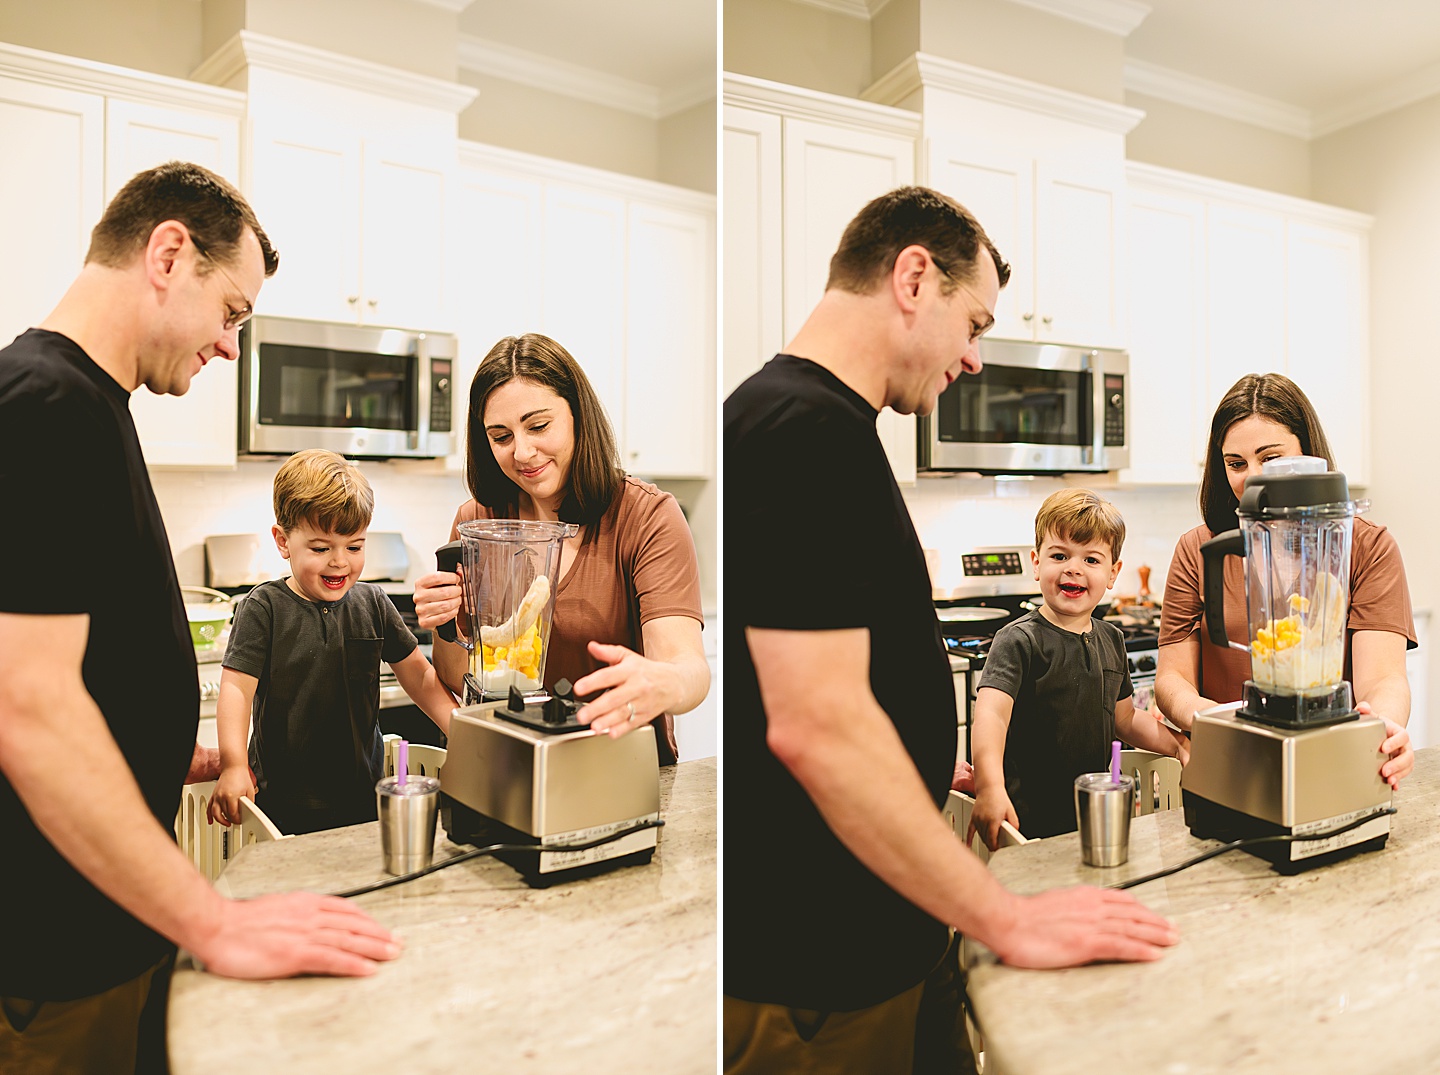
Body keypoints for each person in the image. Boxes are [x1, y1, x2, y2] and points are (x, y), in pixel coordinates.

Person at [724, 186, 1178, 1075]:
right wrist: (1006, 914)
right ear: (913, 276)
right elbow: (816, 726)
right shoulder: (803, 430)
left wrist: (925, 760)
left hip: (881, 933)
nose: (974, 359)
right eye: (972, 323)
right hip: (821, 968)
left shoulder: (816, 423)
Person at [0, 162, 400, 1075]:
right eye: (231, 313)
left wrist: (147, 747)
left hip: (99, 927)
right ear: (169, 253)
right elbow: (27, 709)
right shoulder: (47, 404)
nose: (229, 346)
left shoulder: (89, 405)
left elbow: (60, 672)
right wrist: (215, 919)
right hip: (53, 952)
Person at [412, 333, 708, 762]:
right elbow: (462, 679)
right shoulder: (476, 523)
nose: (523, 452)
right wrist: (444, 625)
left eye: (538, 426)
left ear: (577, 415)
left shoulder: (647, 517)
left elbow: (688, 668)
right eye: (501, 436)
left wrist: (667, 683)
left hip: (615, 765)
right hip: (505, 765)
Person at [1155, 372, 1415, 787]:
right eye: (1235, 464)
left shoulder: (1368, 547)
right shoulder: (1197, 548)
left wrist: (1380, 729)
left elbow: (1383, 679)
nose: (1253, 478)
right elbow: (1171, 679)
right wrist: (1221, 725)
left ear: (1308, 454)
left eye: (1270, 458)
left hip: (1333, 765)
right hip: (1229, 768)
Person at [208, 449, 458, 835]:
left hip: (364, 798)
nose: (340, 562)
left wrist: (459, 729)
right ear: (283, 541)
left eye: (354, 547)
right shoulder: (263, 607)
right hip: (280, 804)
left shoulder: (373, 603)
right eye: (321, 548)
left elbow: (420, 677)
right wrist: (234, 764)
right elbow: (236, 691)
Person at [970, 489, 1188, 849]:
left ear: (1113, 573)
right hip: (1024, 825)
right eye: (1059, 555)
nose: (1073, 567)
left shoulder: (1112, 639)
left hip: (1092, 822)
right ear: (1036, 563)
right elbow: (991, 718)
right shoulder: (1017, 641)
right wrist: (989, 789)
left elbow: (1127, 720)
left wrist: (1180, 746)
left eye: (1091, 559)